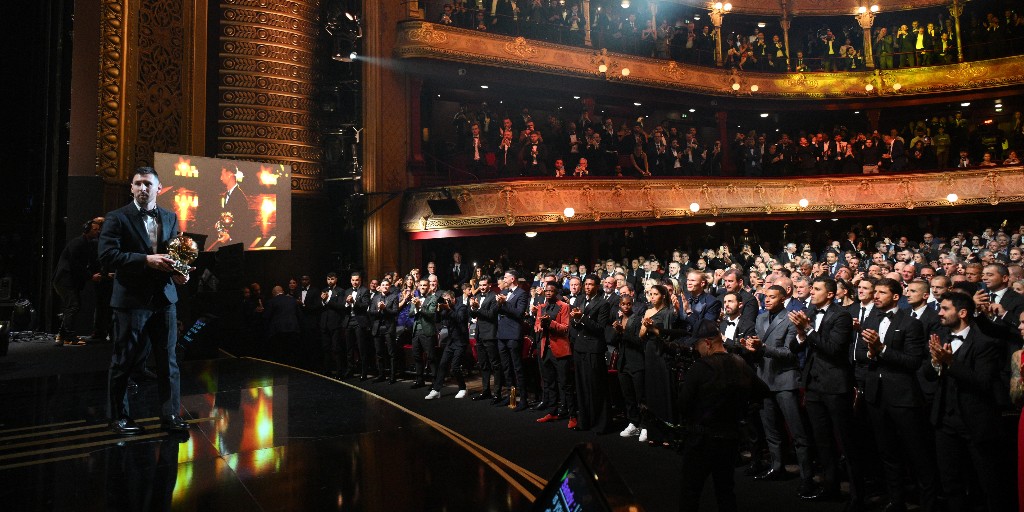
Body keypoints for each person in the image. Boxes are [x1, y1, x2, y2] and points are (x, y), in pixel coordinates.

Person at [97, 167, 190, 435]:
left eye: (148, 184)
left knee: (168, 360)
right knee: (124, 360)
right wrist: (145, 260)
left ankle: (170, 415)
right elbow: (107, 257)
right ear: (131, 188)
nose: (142, 188)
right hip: (130, 300)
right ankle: (118, 417)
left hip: (164, 299)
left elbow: (174, 253)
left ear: (159, 188)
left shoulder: (170, 217)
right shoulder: (117, 218)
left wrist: (178, 272)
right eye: (137, 183)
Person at [675, 320, 770, 512]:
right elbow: (763, 391)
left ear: (708, 343)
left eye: (697, 345)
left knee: (690, 492)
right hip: (729, 439)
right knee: (725, 491)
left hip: (701, 440)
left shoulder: (700, 367)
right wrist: (745, 408)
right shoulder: (739, 363)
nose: (696, 350)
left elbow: (683, 405)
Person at [53, 217, 104, 346]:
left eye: (98, 230)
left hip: (66, 280)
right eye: (95, 230)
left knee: (72, 306)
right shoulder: (78, 243)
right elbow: (75, 264)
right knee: (73, 306)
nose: (97, 232)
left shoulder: (85, 244)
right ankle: (69, 337)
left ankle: (62, 335)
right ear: (87, 230)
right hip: (65, 280)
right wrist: (90, 276)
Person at [425, 288, 470, 399]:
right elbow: (439, 321)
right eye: (445, 300)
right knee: (442, 364)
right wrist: (438, 311)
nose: (446, 302)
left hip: (461, 341)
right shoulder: (445, 308)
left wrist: (449, 309)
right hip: (451, 341)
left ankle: (463, 388)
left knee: (455, 367)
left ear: (453, 299)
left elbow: (459, 319)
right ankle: (436, 390)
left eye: (448, 300)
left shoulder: (462, 307)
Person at [264, 285, 302, 365]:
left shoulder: (271, 301)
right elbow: (300, 316)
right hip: (293, 330)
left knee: (279, 357)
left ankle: (280, 375)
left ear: (273, 293)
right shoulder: (292, 300)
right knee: (291, 356)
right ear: (283, 292)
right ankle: (292, 375)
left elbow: (266, 318)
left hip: (278, 332)